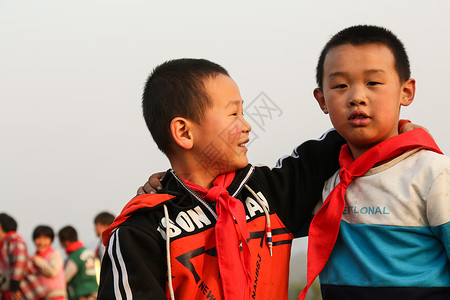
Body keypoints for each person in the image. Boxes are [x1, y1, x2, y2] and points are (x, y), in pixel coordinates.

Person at [97, 58, 349, 300]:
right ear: (184, 132)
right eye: (233, 114)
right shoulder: (141, 232)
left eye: (244, 111)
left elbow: (347, 139)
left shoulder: (269, 192)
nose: (248, 125)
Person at [302, 24, 450, 299]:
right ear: (322, 99)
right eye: (340, 85)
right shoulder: (326, 182)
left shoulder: (433, 174)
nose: (357, 97)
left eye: (373, 83)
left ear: (406, 92)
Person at [0, 213, 47, 300]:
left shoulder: (13, 239)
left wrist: (14, 285)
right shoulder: (3, 244)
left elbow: (19, 259)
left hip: (26, 292)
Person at [58, 226, 97, 300]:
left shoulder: (75, 256)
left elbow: (65, 278)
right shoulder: (90, 252)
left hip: (82, 295)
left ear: (65, 242)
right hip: (96, 293)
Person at [32, 225, 67, 300]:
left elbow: (53, 271)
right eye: (38, 238)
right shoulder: (34, 258)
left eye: (45, 239)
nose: (41, 242)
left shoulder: (55, 254)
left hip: (56, 296)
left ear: (51, 240)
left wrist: (38, 261)